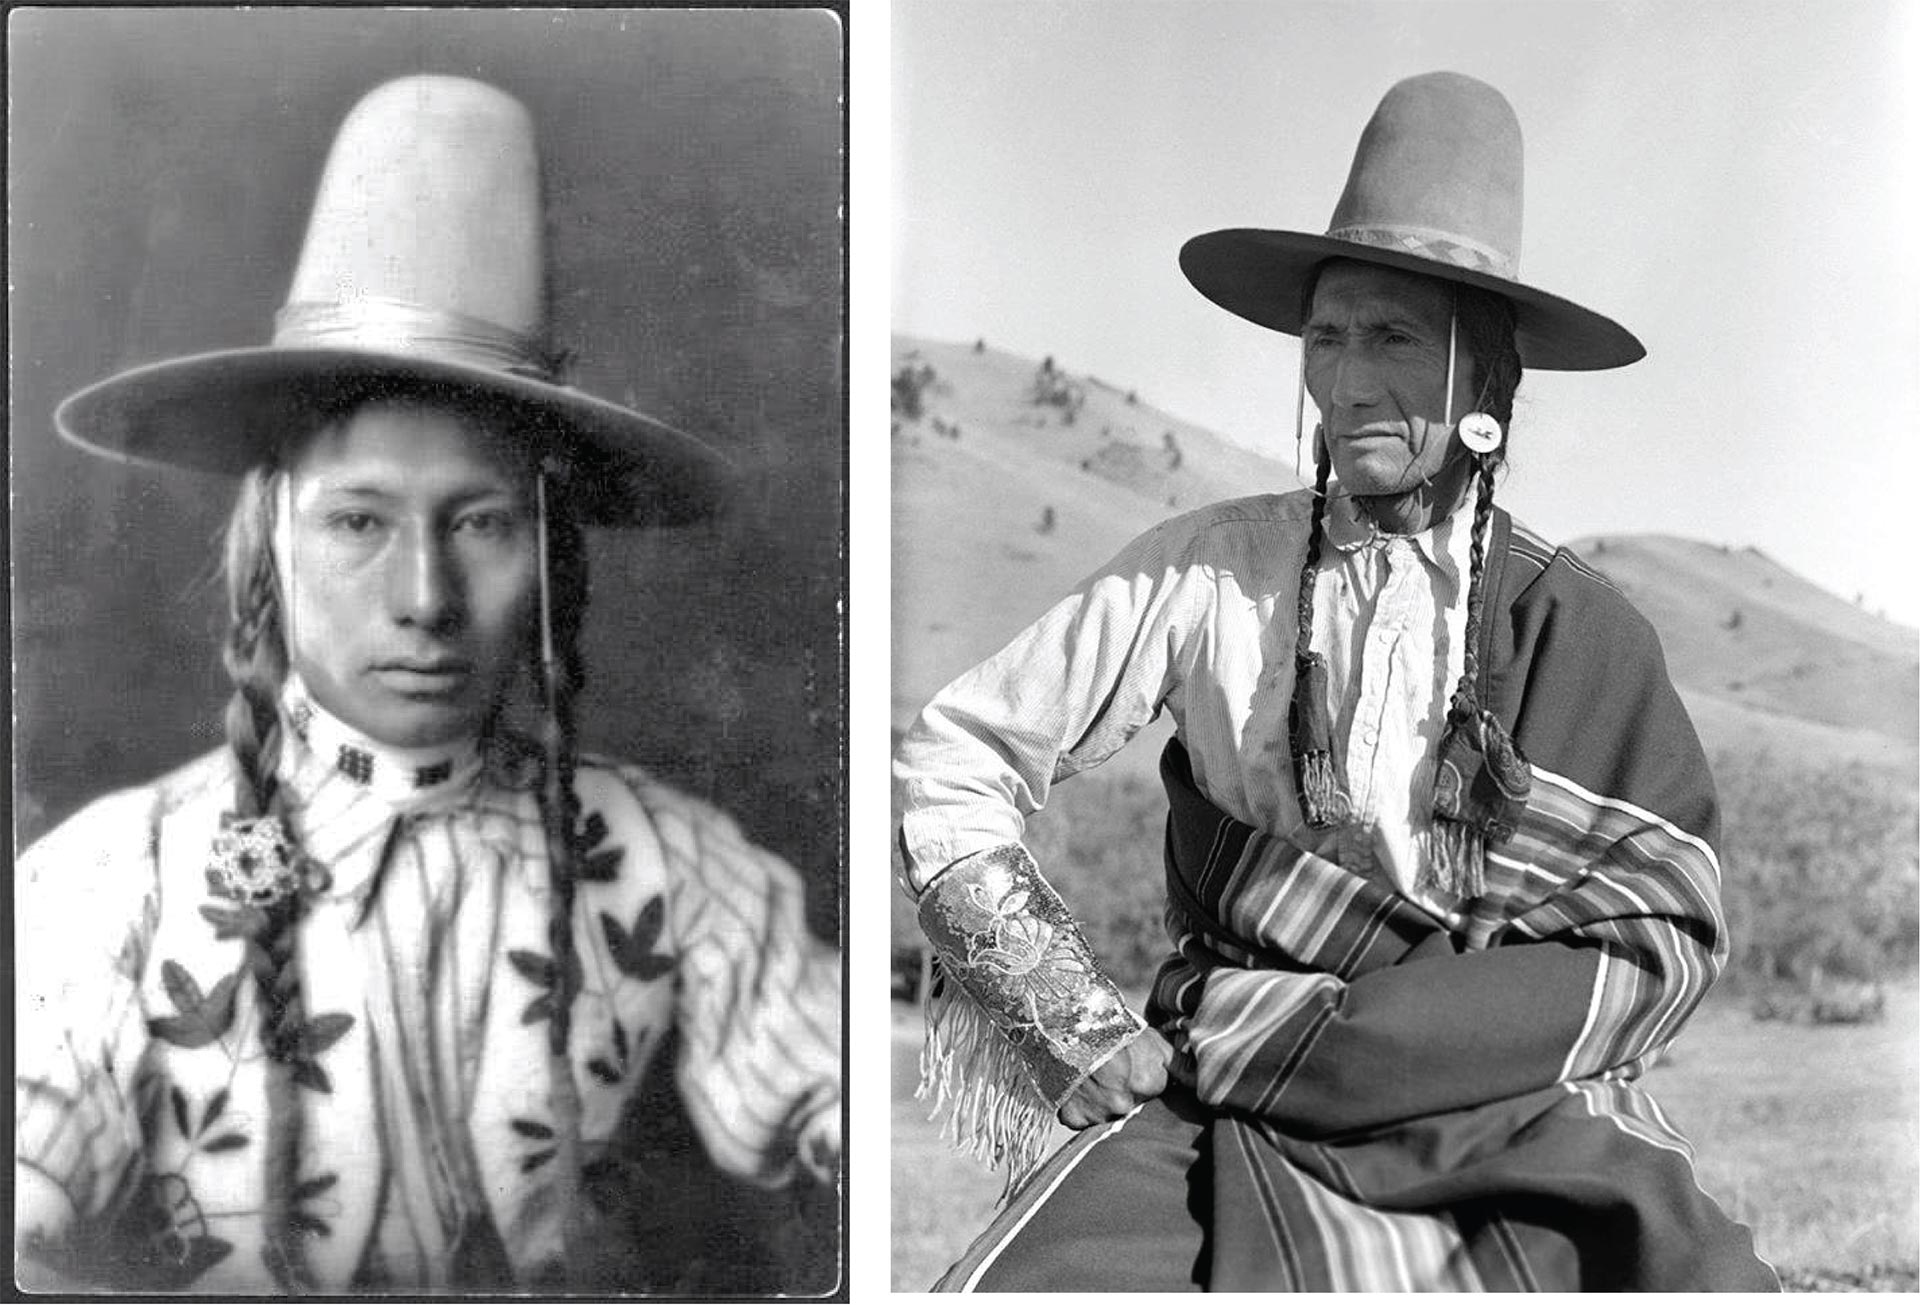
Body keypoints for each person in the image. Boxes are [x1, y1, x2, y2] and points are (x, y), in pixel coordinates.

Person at [894, 71, 1777, 1292]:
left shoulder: (1574, 627)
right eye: (1326, 337)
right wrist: (1063, 1016)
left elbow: (1656, 933)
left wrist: (1413, 1040)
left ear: (1488, 376)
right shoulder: (1210, 570)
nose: (1348, 382)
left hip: (1513, 1103)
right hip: (1225, 1086)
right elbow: (951, 758)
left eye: (1395, 339)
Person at [15, 75, 840, 1294]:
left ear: (553, 561)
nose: (425, 598)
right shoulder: (114, 881)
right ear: (269, 547)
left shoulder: (674, 864)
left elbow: (847, 1098)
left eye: (483, 525)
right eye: (358, 522)